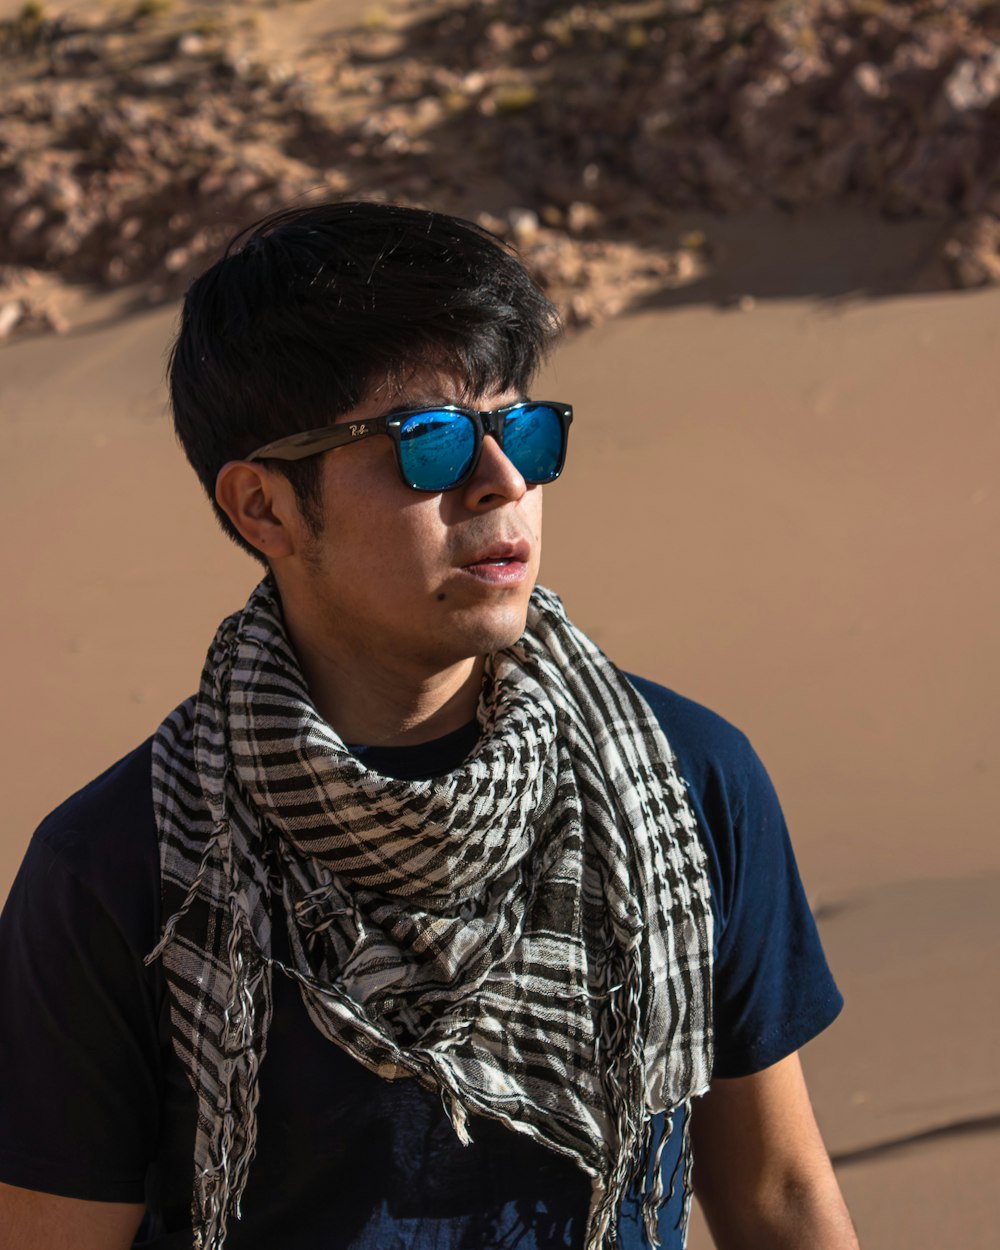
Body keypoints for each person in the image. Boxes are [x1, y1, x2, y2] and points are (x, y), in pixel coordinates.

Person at [0, 201, 858, 1250]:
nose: (503, 482)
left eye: (523, 429)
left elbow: (772, 1194)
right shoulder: (121, 867)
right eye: (432, 443)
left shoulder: (685, 779)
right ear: (262, 507)